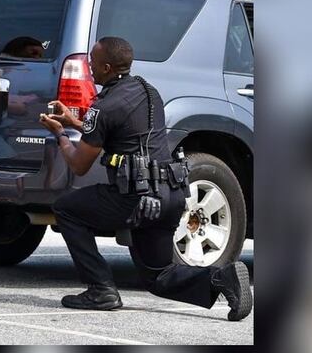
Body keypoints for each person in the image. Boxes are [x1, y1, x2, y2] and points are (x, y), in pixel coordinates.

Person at [38, 37, 252, 321]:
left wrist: (60, 135)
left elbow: (79, 164)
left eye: (93, 63)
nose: (90, 67)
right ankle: (221, 279)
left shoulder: (105, 106)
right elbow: (116, 130)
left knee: (67, 208)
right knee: (158, 276)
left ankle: (101, 289)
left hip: (134, 199)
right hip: (171, 196)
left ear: (107, 66)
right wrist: (74, 122)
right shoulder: (148, 91)